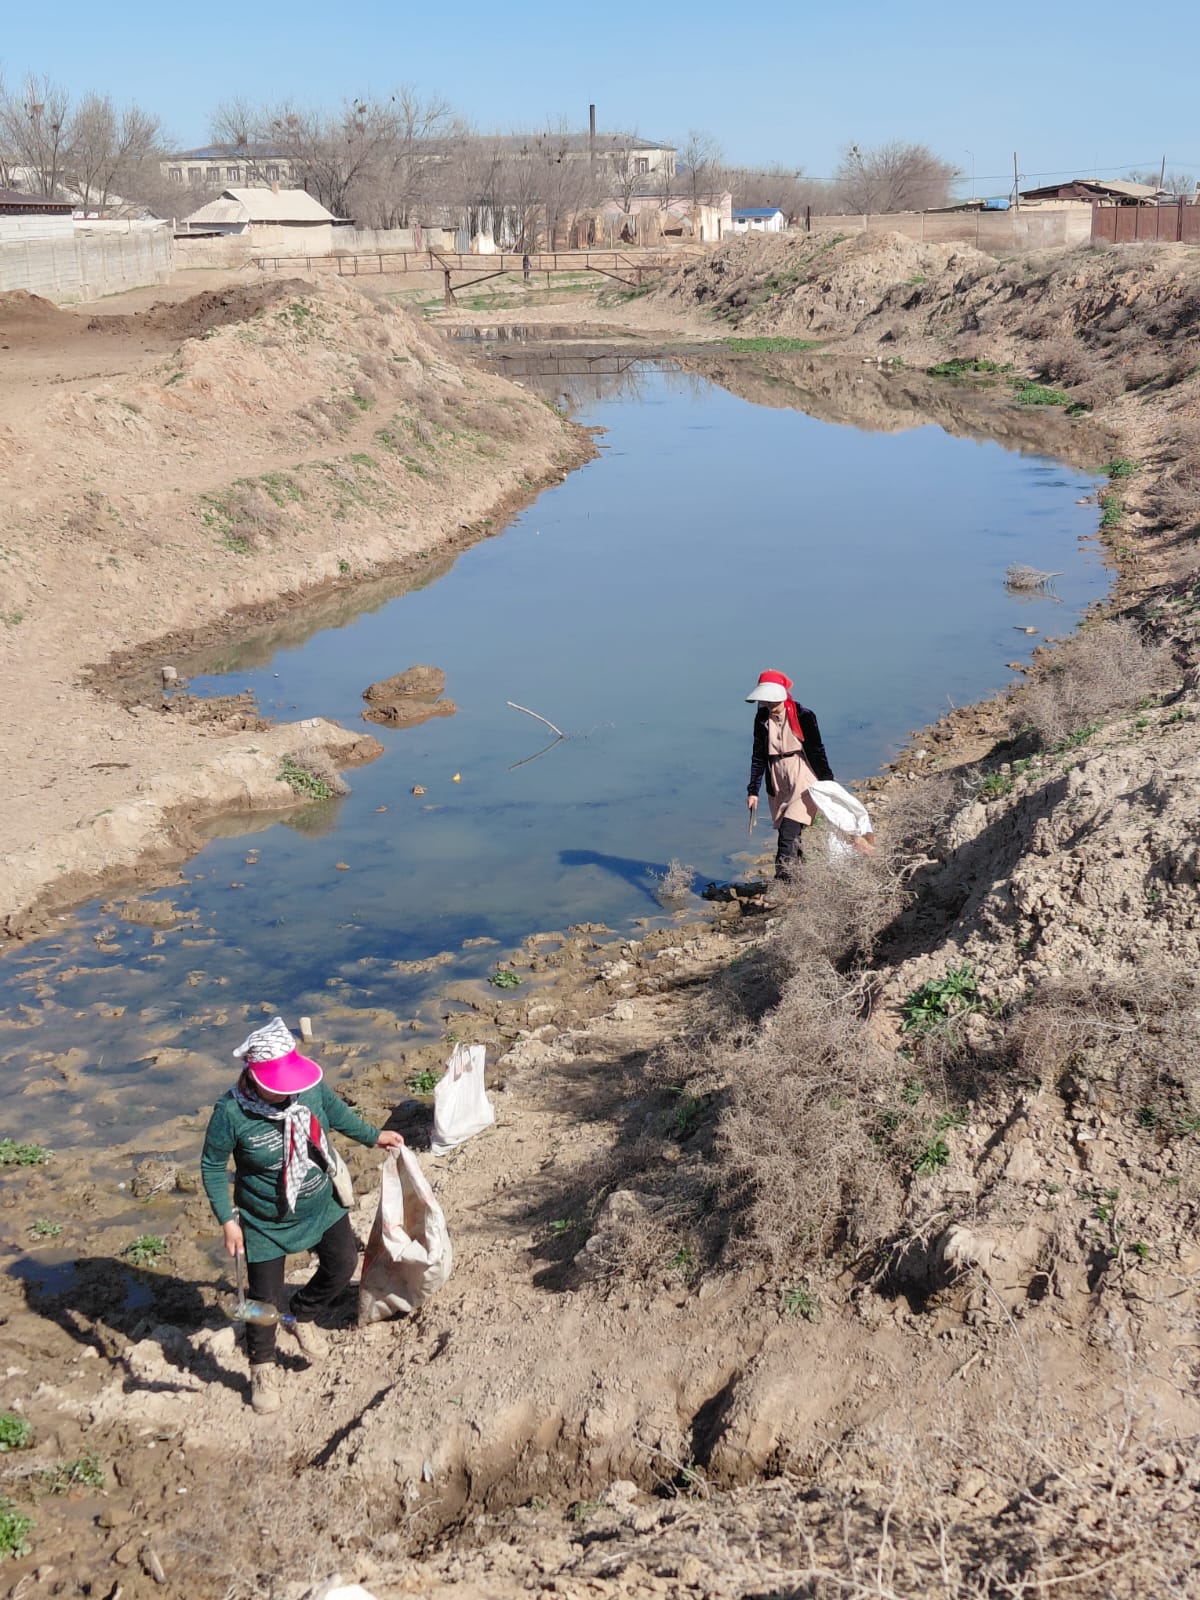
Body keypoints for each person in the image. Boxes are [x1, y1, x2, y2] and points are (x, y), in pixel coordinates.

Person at [200, 1017, 404, 1414]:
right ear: (254, 1077)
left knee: (343, 1264)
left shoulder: (309, 1088)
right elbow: (211, 1165)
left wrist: (373, 1135)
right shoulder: (230, 1113)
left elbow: (337, 1114)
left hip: (320, 1204)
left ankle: (302, 1316)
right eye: (281, 1086)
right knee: (264, 1300)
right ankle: (262, 1368)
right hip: (264, 1221)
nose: (291, 1091)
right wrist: (227, 1219)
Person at [744, 669, 836, 882]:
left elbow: (816, 749)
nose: (767, 704)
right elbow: (758, 755)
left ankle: (782, 882)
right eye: (764, 700)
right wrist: (753, 791)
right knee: (791, 832)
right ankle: (800, 879)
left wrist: (828, 782)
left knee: (788, 831)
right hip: (776, 777)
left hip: (802, 774)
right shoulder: (762, 719)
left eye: (769, 699)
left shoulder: (803, 715)